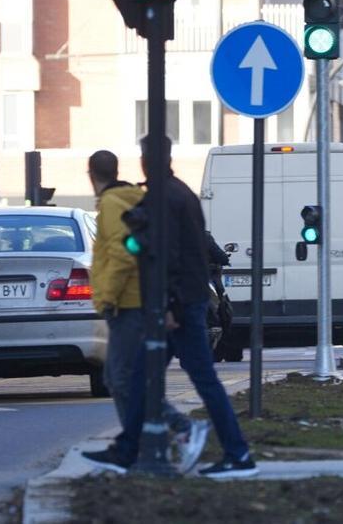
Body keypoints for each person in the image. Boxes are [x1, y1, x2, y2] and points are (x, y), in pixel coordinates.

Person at [80, 149, 208, 474]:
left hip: (127, 301)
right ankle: (138, 443)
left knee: (123, 377)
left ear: (91, 174)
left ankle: (167, 432)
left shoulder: (110, 205)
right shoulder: (137, 196)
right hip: (143, 297)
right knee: (126, 377)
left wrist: (105, 298)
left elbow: (122, 254)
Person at [137, 135, 258, 478]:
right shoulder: (180, 193)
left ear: (146, 159)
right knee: (142, 380)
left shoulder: (166, 198)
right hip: (185, 302)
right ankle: (152, 446)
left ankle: (231, 452)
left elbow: (171, 258)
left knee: (155, 380)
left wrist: (169, 305)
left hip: (179, 307)